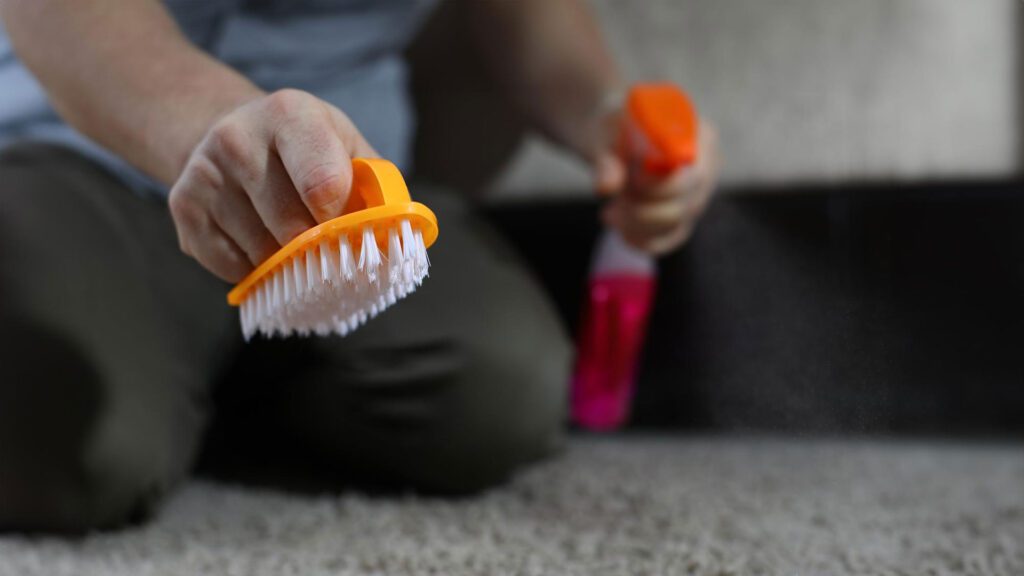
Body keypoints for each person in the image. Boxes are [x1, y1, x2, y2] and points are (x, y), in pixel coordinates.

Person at [0, 0, 719, 533]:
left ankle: (206, 387)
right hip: (81, 149)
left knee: (496, 398)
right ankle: (154, 381)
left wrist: (604, 113)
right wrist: (213, 126)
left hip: (352, 192)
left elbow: (530, 22)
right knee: (64, 446)